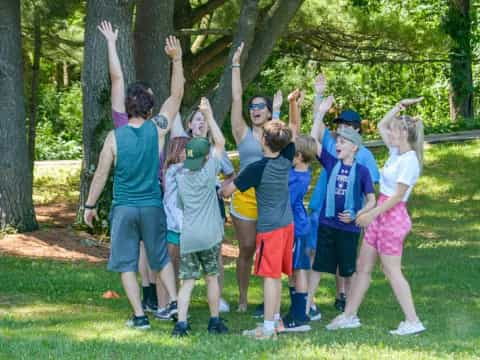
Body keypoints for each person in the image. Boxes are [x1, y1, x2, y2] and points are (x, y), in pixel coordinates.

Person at [84, 22, 184, 330]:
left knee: (127, 264)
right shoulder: (158, 130)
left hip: (125, 209)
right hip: (152, 207)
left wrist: (89, 207)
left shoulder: (115, 137)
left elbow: (101, 175)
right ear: (151, 110)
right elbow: (177, 93)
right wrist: (177, 60)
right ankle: (177, 303)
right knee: (160, 259)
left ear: (126, 107)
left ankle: (140, 316)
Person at [327, 98, 426, 336]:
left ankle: (413, 321)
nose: (389, 133)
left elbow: (397, 197)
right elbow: (382, 124)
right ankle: (349, 315)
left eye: (394, 130)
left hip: (392, 215)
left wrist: (370, 214)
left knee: (392, 270)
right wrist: (398, 107)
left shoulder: (410, 160)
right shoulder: (396, 151)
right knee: (363, 267)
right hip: (381, 212)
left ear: (403, 134)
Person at [99, 21, 161, 313]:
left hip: (146, 193)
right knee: (144, 249)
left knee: (148, 249)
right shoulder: (130, 124)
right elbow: (117, 77)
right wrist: (111, 43)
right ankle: (153, 296)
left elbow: (117, 78)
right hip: (141, 197)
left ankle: (152, 298)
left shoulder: (149, 128)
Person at [307, 74, 380, 319]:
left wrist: (360, 214)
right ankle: (308, 303)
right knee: (316, 257)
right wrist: (319, 102)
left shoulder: (364, 161)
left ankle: (346, 300)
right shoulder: (332, 149)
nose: (340, 134)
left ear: (356, 137)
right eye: (339, 129)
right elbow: (313, 139)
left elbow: (371, 194)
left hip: (348, 222)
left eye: (346, 128)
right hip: (324, 213)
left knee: (346, 263)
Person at [222, 120, 295, 340]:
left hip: (270, 230)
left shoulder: (256, 169)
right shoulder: (286, 157)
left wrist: (228, 180)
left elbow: (227, 192)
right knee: (277, 277)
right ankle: (274, 322)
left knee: (270, 277)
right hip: (287, 226)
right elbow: (293, 130)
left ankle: (267, 327)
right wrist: (292, 103)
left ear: (264, 140)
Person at [172, 98, 229, 337]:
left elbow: (180, 205)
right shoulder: (209, 172)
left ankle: (181, 324)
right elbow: (221, 142)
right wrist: (210, 115)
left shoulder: (181, 177)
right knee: (212, 278)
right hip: (210, 237)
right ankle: (214, 320)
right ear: (206, 157)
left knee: (187, 282)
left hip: (189, 237)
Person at [230, 42, 277, 312]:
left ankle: (268, 300)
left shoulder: (276, 134)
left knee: (269, 249)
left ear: (269, 112)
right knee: (247, 247)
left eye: (260, 106)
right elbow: (237, 98)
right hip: (245, 197)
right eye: (253, 106)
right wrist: (236, 64)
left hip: (270, 196)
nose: (255, 109)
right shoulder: (241, 132)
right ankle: (243, 298)